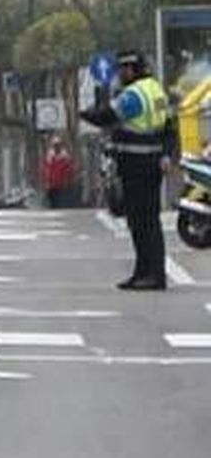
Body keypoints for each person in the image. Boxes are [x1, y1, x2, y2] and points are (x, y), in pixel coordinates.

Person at [80, 50, 171, 291]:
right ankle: (145, 272)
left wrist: (85, 112)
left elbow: (106, 116)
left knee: (141, 222)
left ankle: (151, 275)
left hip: (136, 165)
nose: (120, 75)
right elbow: (169, 126)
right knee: (148, 221)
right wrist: (166, 154)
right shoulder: (156, 90)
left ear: (132, 69)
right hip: (151, 163)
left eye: (122, 70)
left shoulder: (134, 95)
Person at [41, 136, 77, 209]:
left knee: (60, 203)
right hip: (51, 185)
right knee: (52, 202)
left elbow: (70, 171)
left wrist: (69, 181)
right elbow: (44, 170)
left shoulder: (66, 158)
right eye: (54, 145)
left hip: (62, 185)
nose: (56, 147)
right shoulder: (49, 158)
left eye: (58, 145)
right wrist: (45, 181)